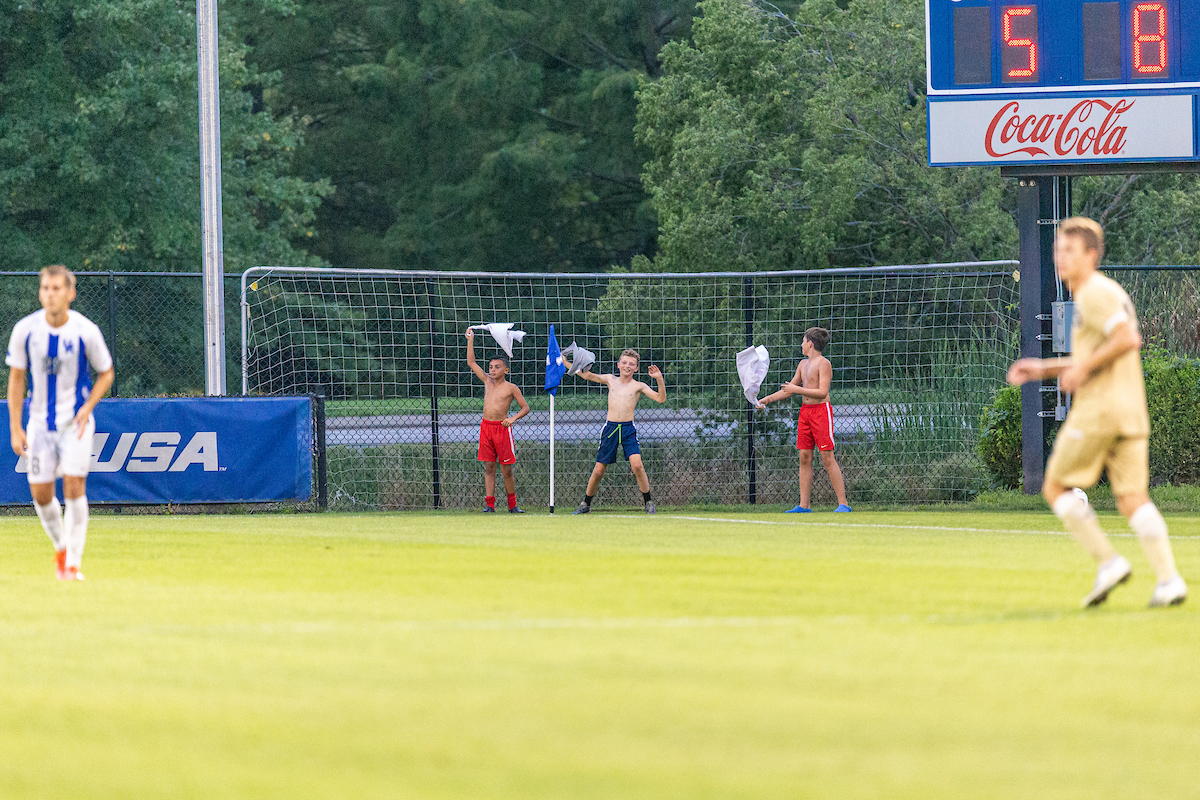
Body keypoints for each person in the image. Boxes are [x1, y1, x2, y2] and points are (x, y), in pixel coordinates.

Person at [1007, 217, 1187, 608]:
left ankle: (1109, 562)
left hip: (1100, 410)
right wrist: (1043, 368)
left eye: (1070, 250)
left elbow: (1127, 339)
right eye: (1058, 250)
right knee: (1132, 498)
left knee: (1054, 486)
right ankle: (1169, 580)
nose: (1061, 257)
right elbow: (1099, 351)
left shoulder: (1093, 292)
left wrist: (1082, 370)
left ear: (1091, 255)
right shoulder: (1102, 292)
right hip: (1129, 410)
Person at [6, 265, 114, 581]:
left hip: (75, 424)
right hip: (40, 424)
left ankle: (72, 565)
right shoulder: (26, 330)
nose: (50, 294)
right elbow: (16, 378)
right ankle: (61, 548)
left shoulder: (85, 331)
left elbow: (106, 372)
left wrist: (88, 407)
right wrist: (16, 427)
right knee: (41, 495)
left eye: (56, 288)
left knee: (73, 485)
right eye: (45, 288)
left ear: (70, 293)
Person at [756, 327, 851, 513]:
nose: (801, 344)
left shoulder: (824, 364)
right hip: (805, 413)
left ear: (810, 344)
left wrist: (796, 390)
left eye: (803, 341)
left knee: (827, 457)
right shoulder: (802, 364)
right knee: (804, 457)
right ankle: (804, 505)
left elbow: (822, 392)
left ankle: (843, 504)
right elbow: (788, 390)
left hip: (821, 412)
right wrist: (767, 399)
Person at [566, 349, 665, 514]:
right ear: (618, 365)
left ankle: (648, 502)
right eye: (624, 363)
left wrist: (659, 379)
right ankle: (585, 504)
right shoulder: (610, 379)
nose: (627, 366)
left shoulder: (639, 386)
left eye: (631, 364)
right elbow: (586, 375)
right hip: (610, 429)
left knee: (637, 465)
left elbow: (661, 398)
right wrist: (565, 362)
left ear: (636, 368)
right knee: (599, 470)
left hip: (628, 429)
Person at [465, 328, 529, 513]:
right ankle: (490, 505)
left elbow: (525, 408)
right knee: (489, 467)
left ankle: (513, 505)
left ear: (506, 370)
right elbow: (471, 362)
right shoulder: (487, 381)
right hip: (486, 428)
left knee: (506, 469)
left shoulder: (511, 388)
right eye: (491, 367)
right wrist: (470, 340)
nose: (492, 370)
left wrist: (512, 419)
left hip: (502, 429)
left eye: (497, 367)